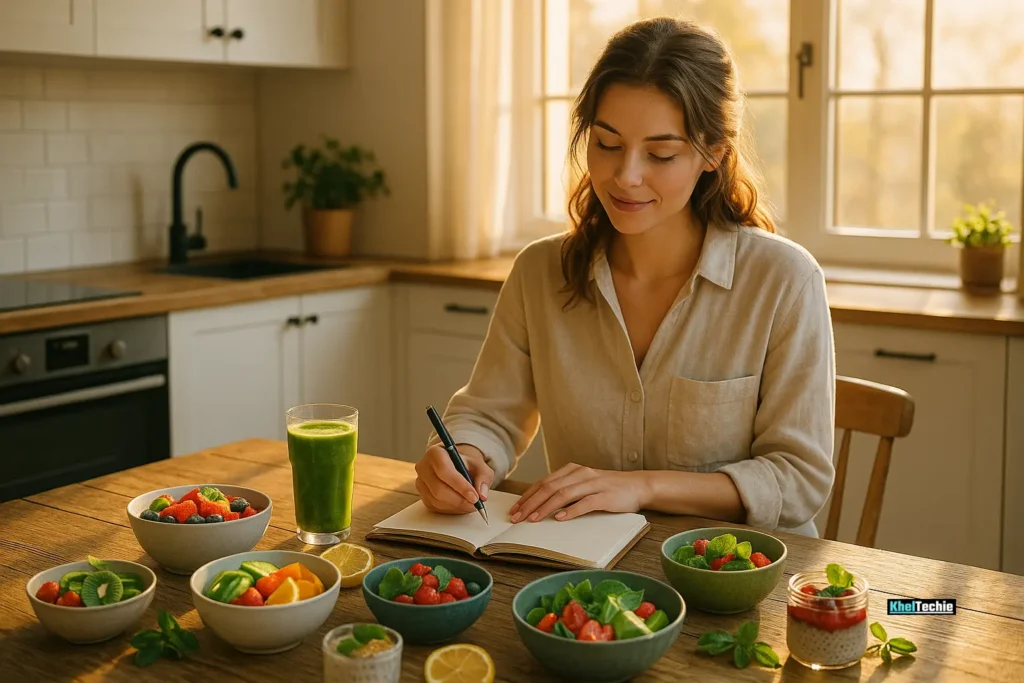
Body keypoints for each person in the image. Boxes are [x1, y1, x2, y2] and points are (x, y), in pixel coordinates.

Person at [414, 16, 835, 537]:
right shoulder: (539, 273)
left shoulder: (784, 281)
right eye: (607, 144)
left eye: (660, 153)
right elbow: (490, 416)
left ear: (713, 155)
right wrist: (464, 455)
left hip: (737, 580)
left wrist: (641, 486)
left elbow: (797, 479)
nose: (626, 175)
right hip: (584, 575)